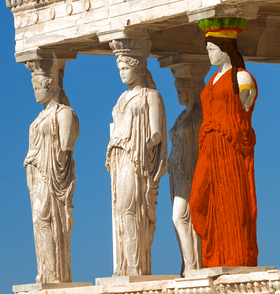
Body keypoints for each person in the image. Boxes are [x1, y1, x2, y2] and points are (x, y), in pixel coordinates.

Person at [190, 17, 258, 267]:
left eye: (212, 48)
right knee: (198, 201)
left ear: (224, 47)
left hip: (229, 148)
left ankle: (234, 257)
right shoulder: (213, 80)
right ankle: (214, 255)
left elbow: (245, 112)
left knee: (231, 204)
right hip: (209, 148)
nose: (209, 54)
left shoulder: (242, 77)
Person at [106, 54, 167, 276]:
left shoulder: (151, 96)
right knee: (121, 210)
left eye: (125, 68)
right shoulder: (121, 98)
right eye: (119, 68)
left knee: (131, 208)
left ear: (138, 68)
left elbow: (156, 133)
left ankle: (136, 266)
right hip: (119, 157)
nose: (121, 72)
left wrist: (140, 148)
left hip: (137, 158)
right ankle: (123, 266)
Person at [24, 59, 79, 283]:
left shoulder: (65, 113)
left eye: (37, 88)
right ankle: (46, 272)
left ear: (49, 86)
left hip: (52, 175)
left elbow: (66, 147)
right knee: (39, 222)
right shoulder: (39, 118)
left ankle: (56, 274)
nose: (35, 93)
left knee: (47, 220)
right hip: (36, 176)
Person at [167, 63, 208, 274]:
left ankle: (193, 266)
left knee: (180, 216)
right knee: (180, 218)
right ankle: (187, 263)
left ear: (192, 90)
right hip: (176, 171)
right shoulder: (181, 116)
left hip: (190, 170)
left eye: (182, 91)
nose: (179, 95)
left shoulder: (198, 116)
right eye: (177, 91)